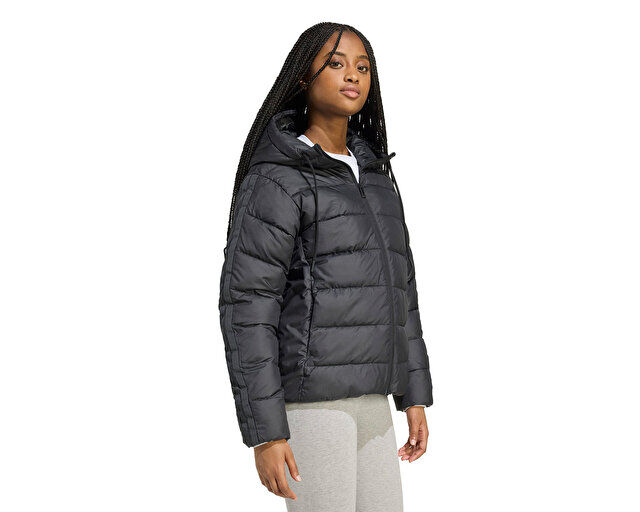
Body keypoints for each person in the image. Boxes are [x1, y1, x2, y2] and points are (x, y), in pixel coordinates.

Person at [218, 22, 433, 511]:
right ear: (303, 77)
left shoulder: (375, 175)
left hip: (374, 402)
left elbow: (402, 292)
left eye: (363, 66)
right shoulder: (278, 178)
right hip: (312, 405)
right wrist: (266, 432)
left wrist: (413, 393)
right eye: (336, 63)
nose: (352, 75)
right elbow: (247, 305)